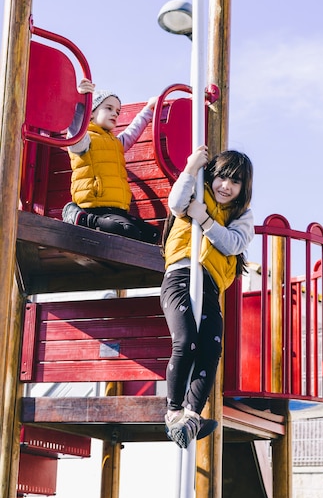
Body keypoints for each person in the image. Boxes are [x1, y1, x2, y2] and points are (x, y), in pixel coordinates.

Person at [161, 144, 254, 449]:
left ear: (244, 187)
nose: (226, 186)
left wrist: (205, 220)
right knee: (186, 339)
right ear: (212, 176)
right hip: (180, 275)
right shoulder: (196, 191)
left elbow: (233, 244)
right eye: (222, 177)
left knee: (212, 346)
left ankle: (191, 415)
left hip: (210, 284)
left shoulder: (241, 215)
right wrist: (190, 168)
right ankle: (173, 411)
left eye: (235, 181)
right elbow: (175, 204)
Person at [62, 78, 160, 244]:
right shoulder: (85, 140)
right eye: (108, 108)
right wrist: (81, 103)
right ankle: (79, 217)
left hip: (117, 210)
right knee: (127, 231)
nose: (115, 113)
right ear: (91, 112)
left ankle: (93, 220)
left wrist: (149, 110)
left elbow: (132, 132)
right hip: (94, 206)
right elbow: (76, 130)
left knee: (153, 235)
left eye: (117, 111)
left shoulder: (116, 143)